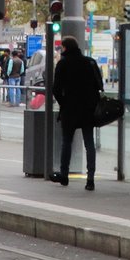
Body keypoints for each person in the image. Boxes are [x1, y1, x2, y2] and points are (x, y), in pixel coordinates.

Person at [50, 36, 104, 191]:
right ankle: (90, 179)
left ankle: (64, 175)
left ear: (65, 48)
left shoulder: (63, 63)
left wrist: (64, 103)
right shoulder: (89, 62)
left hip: (70, 109)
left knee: (67, 141)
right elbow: (99, 85)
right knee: (89, 143)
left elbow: (56, 89)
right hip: (88, 109)